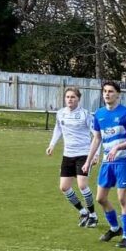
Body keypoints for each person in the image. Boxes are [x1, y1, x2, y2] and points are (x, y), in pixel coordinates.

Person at [83, 81, 126, 248]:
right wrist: (88, 161)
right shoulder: (99, 114)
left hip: (123, 161)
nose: (107, 94)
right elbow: (97, 139)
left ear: (118, 94)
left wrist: (118, 146)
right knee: (100, 198)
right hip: (107, 162)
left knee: (122, 199)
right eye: (105, 91)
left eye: (110, 91)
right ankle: (115, 228)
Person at [46, 87, 97, 227]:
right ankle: (83, 212)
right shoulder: (61, 113)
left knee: (82, 185)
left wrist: (95, 155)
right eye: (67, 97)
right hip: (67, 155)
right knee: (64, 187)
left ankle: (93, 215)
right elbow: (58, 129)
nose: (70, 99)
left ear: (78, 99)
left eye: (73, 97)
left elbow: (97, 135)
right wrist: (52, 145)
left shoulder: (85, 115)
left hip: (84, 154)